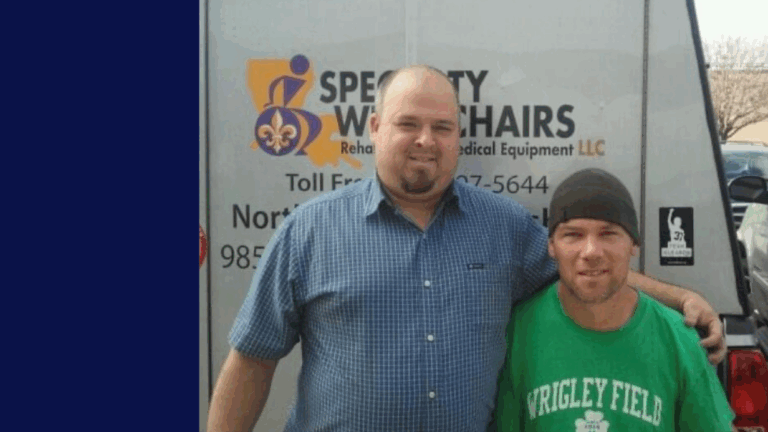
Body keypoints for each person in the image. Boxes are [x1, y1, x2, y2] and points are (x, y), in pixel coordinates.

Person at [207, 65, 725, 432]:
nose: (425, 140)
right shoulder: (309, 230)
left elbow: (584, 266)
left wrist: (679, 298)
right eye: (408, 123)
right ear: (374, 129)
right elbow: (252, 360)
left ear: (458, 137)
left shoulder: (503, 226)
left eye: (442, 127)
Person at [494, 169, 734, 431]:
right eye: (573, 235)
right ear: (551, 246)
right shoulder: (518, 332)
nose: (591, 251)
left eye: (608, 234)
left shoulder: (679, 340)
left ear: (635, 245)